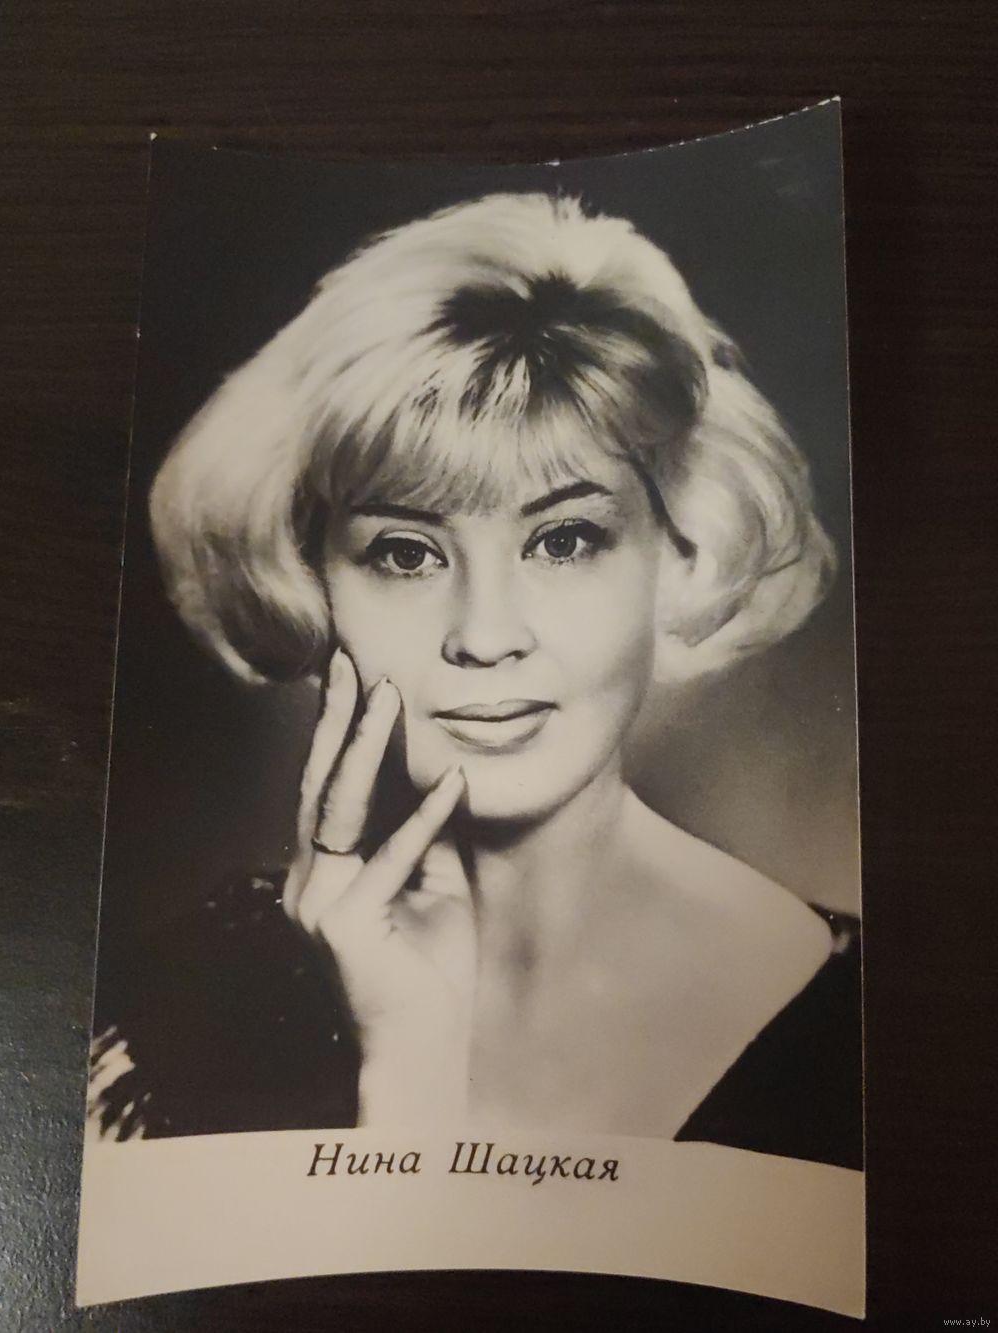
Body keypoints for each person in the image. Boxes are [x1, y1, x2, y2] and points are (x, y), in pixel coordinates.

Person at [87, 192, 862, 1167]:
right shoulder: (186, 1004)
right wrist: (406, 1066)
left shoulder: (853, 1032)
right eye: (406, 553)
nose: (486, 636)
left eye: (565, 539)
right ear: (313, 581)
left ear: (678, 556)